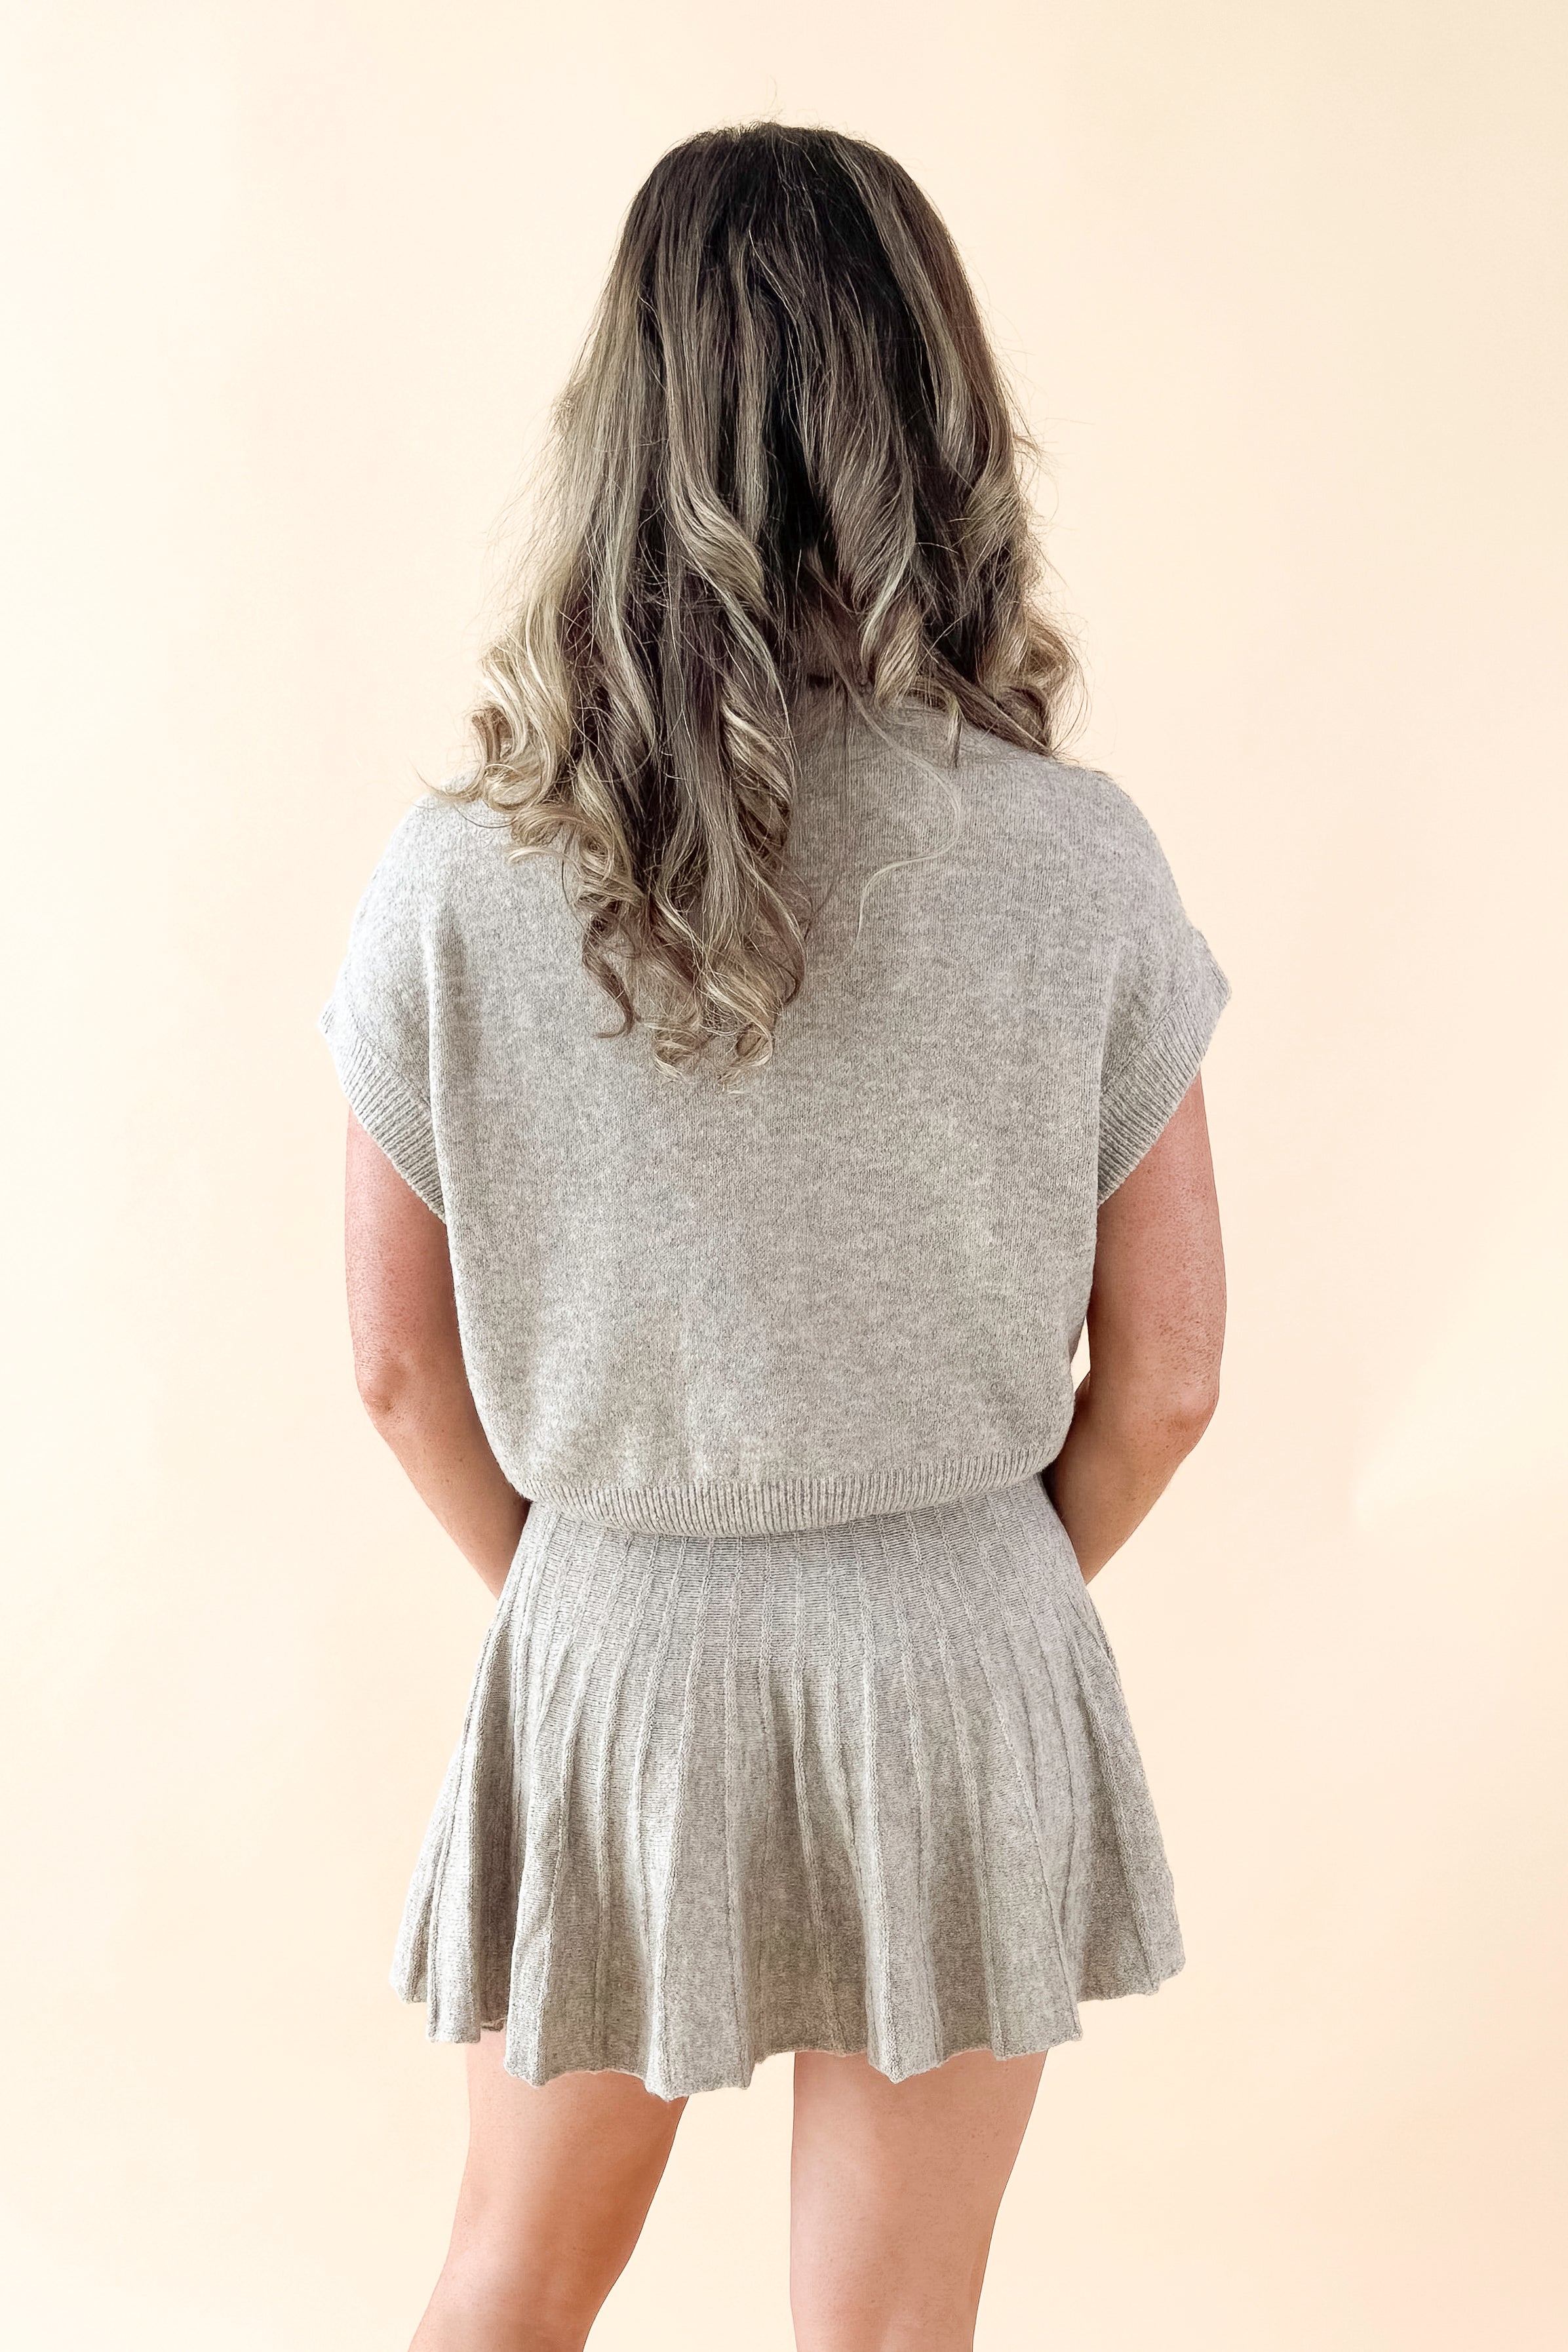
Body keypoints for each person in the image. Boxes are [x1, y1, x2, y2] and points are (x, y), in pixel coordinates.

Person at [321, 120, 1230, 2352]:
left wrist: (591, 1586)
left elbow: (393, 1368)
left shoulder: (458, 877)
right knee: (894, 2338)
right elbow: (1178, 1370)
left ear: (618, 422)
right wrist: (970, 1576)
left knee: (509, 2285)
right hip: (953, 1639)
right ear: (935, 408)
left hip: (613, 1623)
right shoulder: (1076, 856)